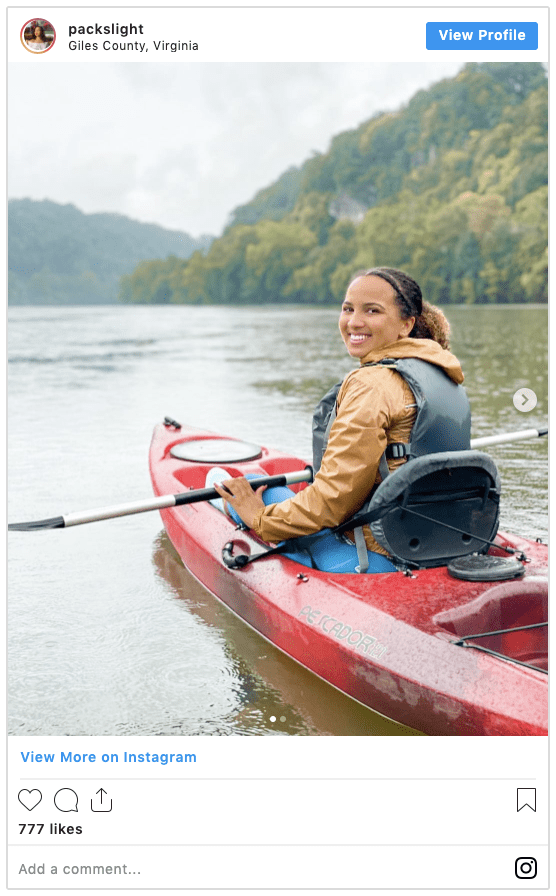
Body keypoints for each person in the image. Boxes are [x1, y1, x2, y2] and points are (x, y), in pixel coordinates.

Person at [212, 267, 469, 573]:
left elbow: (332, 503)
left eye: (372, 311)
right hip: (449, 539)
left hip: (382, 555)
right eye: (348, 309)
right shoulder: (443, 373)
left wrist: (258, 518)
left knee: (240, 485)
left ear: (406, 324)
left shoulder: (371, 385)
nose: (354, 322)